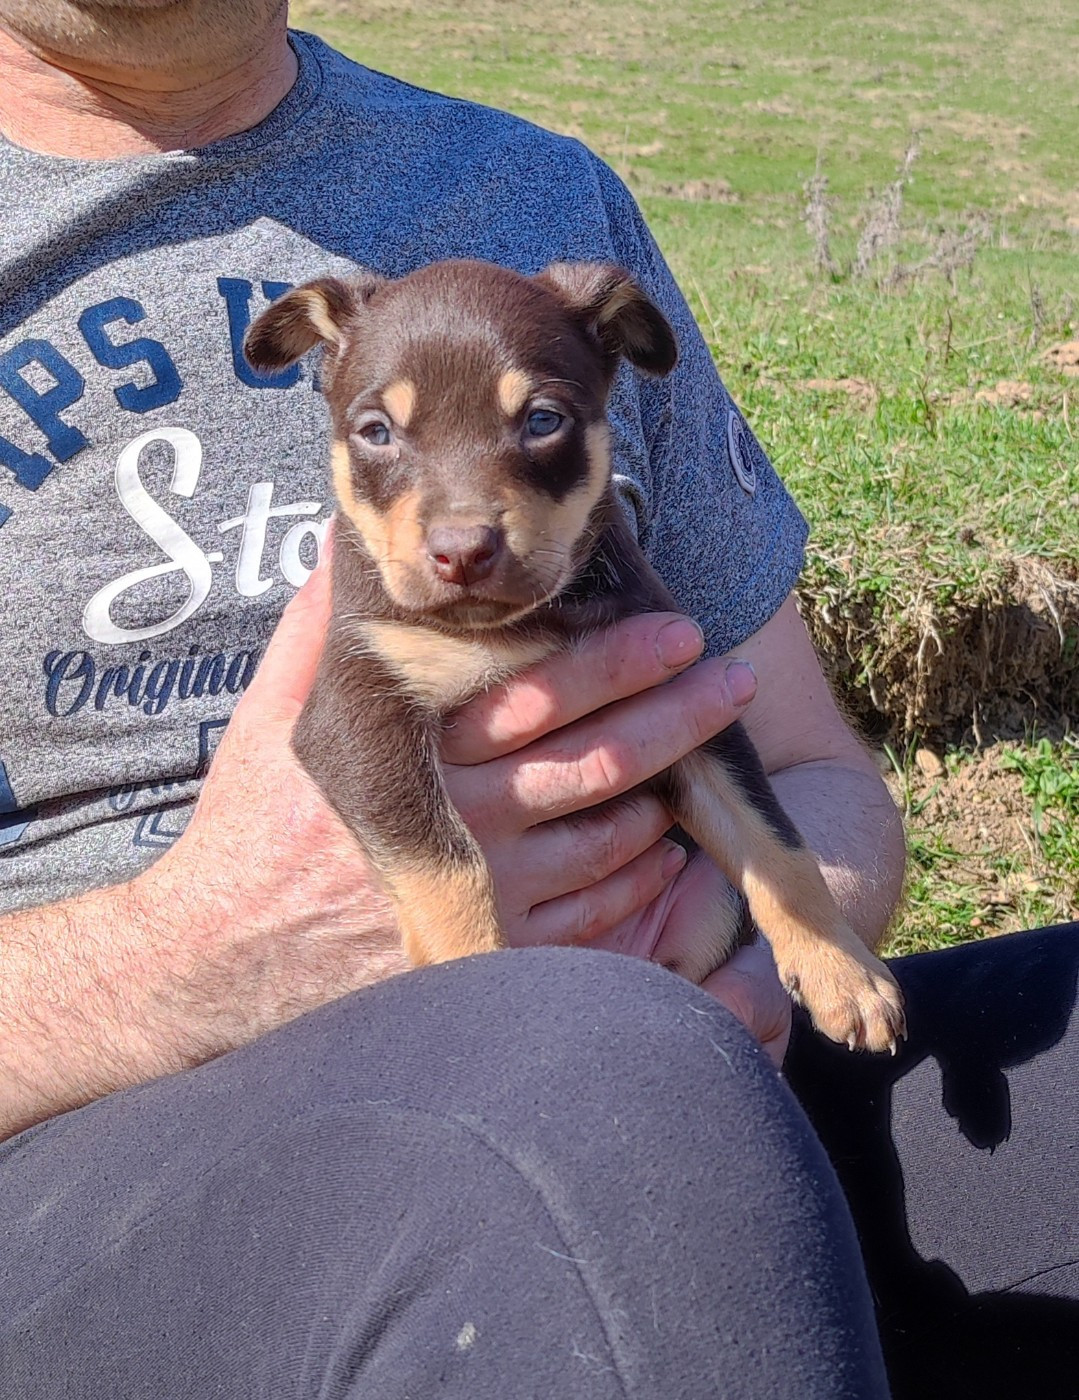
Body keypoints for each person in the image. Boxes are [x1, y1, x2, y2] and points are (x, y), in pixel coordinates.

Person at [0, 3, 1073, 1396]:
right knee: (590, 1094)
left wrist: (744, 964)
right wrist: (192, 954)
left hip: (673, 1072)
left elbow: (807, 768)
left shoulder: (540, 196)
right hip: (104, 1175)